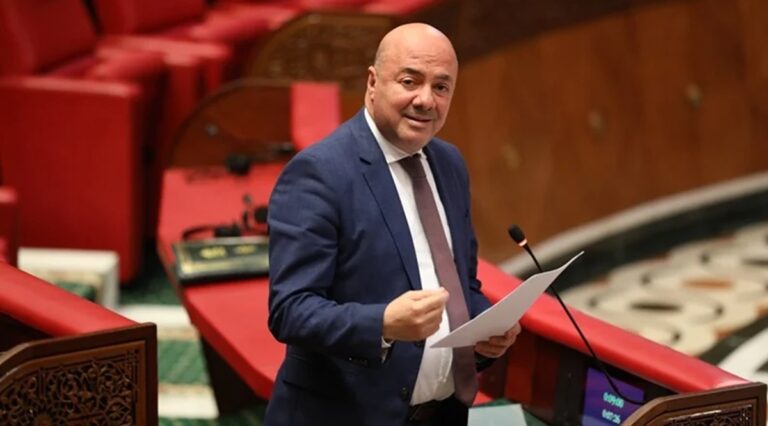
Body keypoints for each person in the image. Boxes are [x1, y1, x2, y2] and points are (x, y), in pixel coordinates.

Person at [265, 23, 521, 426]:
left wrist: (487, 329)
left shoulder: (449, 164)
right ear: (372, 83)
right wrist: (382, 324)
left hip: (442, 414)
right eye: (409, 81)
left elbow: (461, 285)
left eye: (441, 87)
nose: (426, 100)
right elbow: (290, 310)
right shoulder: (319, 173)